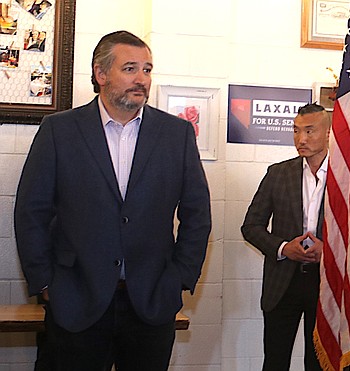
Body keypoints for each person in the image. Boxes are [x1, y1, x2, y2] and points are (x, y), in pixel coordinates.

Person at [14, 30, 212, 371]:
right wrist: (47, 283)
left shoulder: (175, 135)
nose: (141, 79)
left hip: (150, 302)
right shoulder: (59, 130)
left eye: (147, 70)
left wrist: (178, 276)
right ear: (101, 73)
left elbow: (198, 215)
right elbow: (31, 212)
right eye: (130, 68)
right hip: (75, 299)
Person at [241, 103, 330, 371]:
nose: (301, 139)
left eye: (310, 131)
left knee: (324, 364)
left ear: (328, 133)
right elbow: (251, 226)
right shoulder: (278, 173)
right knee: (275, 362)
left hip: (328, 285)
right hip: (283, 282)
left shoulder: (348, 176)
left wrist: (329, 251)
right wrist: (282, 248)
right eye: (296, 131)